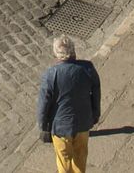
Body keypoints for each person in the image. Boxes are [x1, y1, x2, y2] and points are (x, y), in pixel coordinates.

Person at [37, 35, 100, 173]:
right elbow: (96, 90)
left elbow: (44, 104)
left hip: (61, 127)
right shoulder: (87, 68)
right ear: (73, 51)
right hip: (83, 122)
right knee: (80, 157)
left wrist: (43, 126)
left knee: (63, 162)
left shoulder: (50, 74)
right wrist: (95, 114)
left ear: (56, 54)